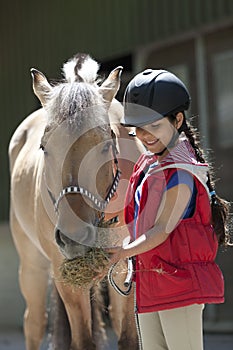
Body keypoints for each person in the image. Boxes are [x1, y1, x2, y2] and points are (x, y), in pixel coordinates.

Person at [106, 69, 231, 350]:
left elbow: (162, 229)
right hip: (152, 284)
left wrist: (122, 252)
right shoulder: (148, 163)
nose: (145, 136)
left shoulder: (182, 171)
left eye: (154, 126)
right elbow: (141, 221)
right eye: (137, 128)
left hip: (180, 287)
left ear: (178, 120)